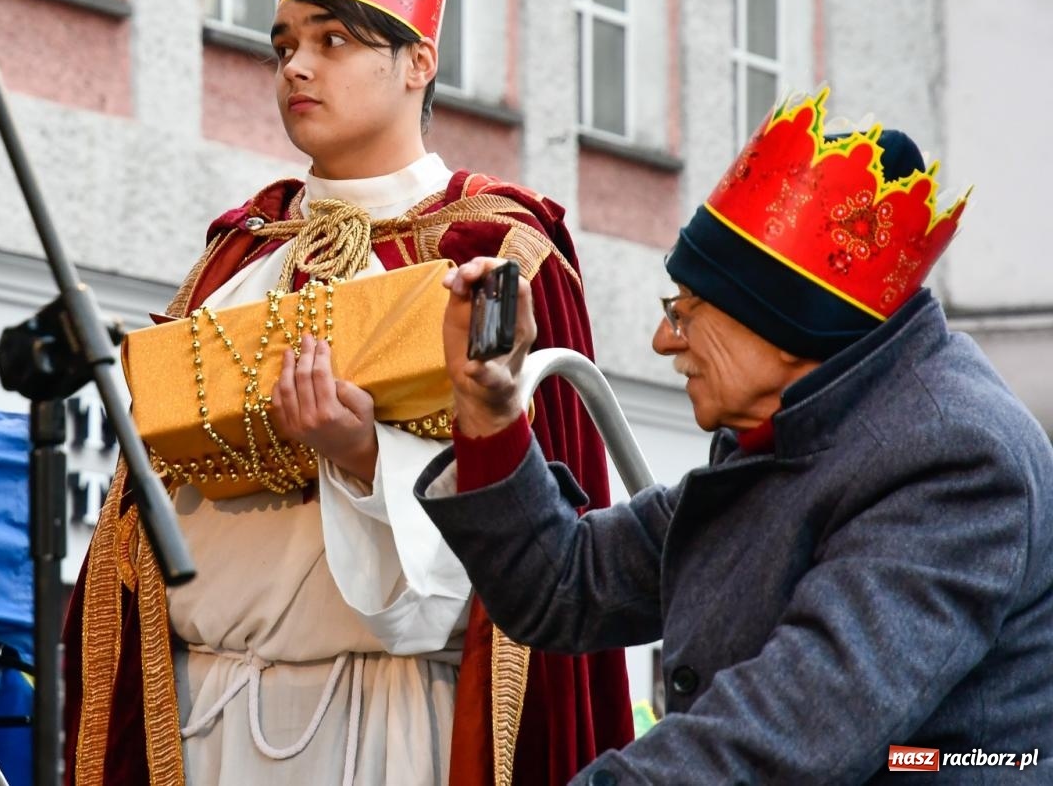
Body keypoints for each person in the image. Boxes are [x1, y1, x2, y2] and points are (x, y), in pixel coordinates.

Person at [62, 0, 633, 785]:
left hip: (392, 715)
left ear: (417, 62)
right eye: (284, 46)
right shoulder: (239, 252)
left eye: (332, 41)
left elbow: (541, 545)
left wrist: (364, 454)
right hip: (202, 707)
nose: (296, 66)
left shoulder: (500, 251)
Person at [417, 91, 1053, 783]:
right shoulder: (791, 432)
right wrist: (490, 408)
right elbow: (565, 585)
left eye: (686, 312)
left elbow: (791, 732)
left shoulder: (954, 455)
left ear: (783, 326)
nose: (664, 340)